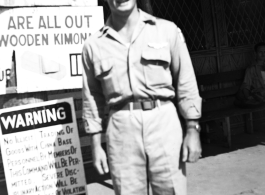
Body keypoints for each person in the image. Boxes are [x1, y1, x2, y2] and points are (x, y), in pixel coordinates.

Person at [82, 0, 202, 194]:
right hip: (121, 129)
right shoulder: (93, 45)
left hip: (164, 122)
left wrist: (193, 128)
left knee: (171, 189)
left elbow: (186, 81)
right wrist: (95, 145)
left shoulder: (166, 30)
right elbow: (92, 98)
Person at [235, 42, 265, 108]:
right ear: (255, 53)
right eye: (260, 52)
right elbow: (246, 85)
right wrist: (248, 96)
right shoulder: (250, 69)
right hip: (260, 96)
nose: (263, 54)